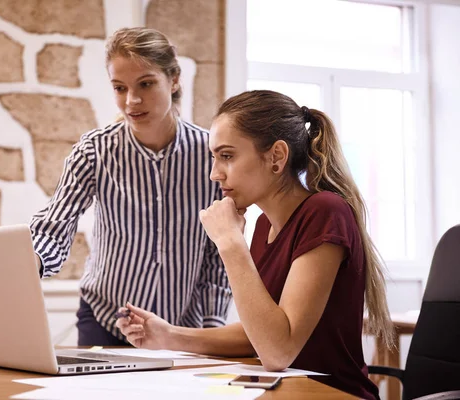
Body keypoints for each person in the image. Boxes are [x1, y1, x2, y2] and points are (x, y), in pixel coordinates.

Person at [116, 90, 395, 400]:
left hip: (331, 395)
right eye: (214, 157)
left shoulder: (325, 212)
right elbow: (260, 335)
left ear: (276, 156)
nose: (214, 173)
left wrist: (229, 243)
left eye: (227, 156)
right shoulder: (264, 226)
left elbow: (277, 351)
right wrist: (170, 335)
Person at [29, 27, 232, 346]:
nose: (132, 100)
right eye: (120, 88)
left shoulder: (210, 155)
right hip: (105, 322)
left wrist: (210, 328)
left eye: (146, 84)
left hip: (181, 329)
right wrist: (29, 263)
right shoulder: (94, 151)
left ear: (174, 79)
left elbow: (217, 252)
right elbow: (55, 227)